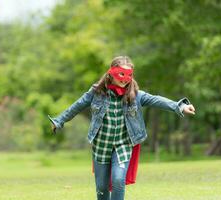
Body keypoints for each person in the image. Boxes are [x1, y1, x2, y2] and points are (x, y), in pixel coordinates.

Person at [48, 56, 195, 200]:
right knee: (101, 188)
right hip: (101, 145)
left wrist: (180, 106)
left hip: (123, 145)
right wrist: (59, 121)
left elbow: (157, 100)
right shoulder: (96, 93)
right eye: (121, 74)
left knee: (118, 180)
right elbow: (77, 106)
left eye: (128, 75)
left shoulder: (136, 95)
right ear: (110, 74)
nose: (124, 79)